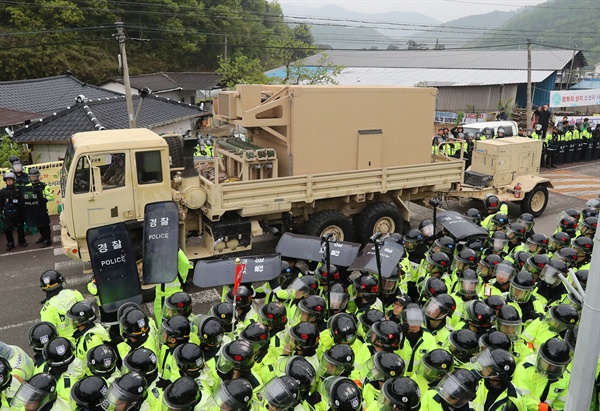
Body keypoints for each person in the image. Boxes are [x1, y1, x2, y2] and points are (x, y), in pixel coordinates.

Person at [39, 270, 84, 341]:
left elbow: (48, 333)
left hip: (66, 346)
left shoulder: (47, 309)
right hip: (83, 340)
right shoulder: (75, 294)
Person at [22, 168, 54, 247]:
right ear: (29, 177)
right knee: (37, 224)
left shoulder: (43, 186)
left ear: (38, 176)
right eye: (32, 177)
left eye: (35, 176)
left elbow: (51, 196)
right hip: (32, 208)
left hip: (42, 208)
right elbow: (25, 196)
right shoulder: (28, 186)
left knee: (45, 224)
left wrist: (45, 199)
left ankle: (47, 239)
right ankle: (42, 236)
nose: (33, 178)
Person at [0, 171, 27, 250]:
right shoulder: (2, 192)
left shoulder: (18, 190)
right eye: (7, 180)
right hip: (8, 214)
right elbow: (1, 203)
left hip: (18, 212)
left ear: (14, 180)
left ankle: (21, 240)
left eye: (10, 180)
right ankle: (10, 242)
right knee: (7, 228)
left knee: (20, 227)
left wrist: (23, 211)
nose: (9, 181)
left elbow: (22, 201)